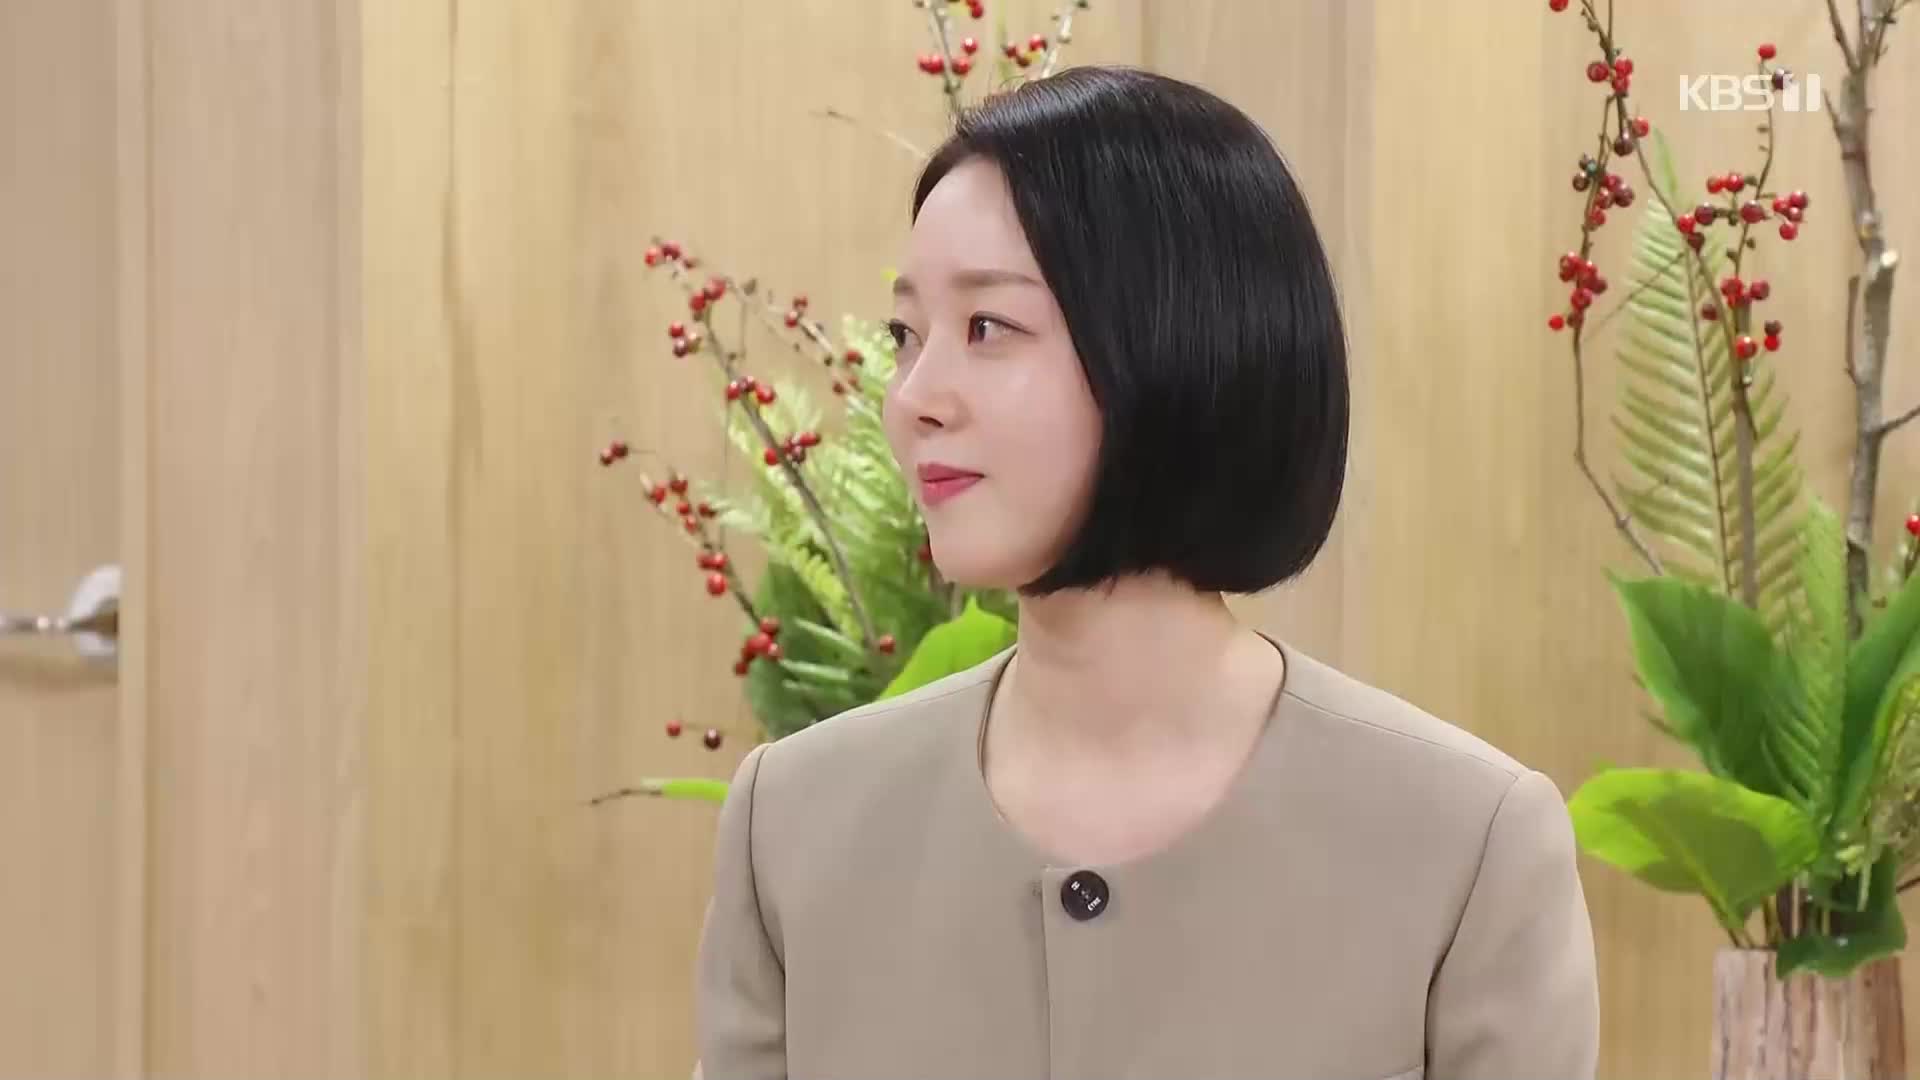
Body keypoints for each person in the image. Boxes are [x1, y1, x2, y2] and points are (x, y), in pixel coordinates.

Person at [693, 64, 1598, 1080]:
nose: (914, 397)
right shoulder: (795, 822)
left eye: (988, 328)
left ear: (1178, 346)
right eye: (908, 335)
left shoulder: (1466, 842)